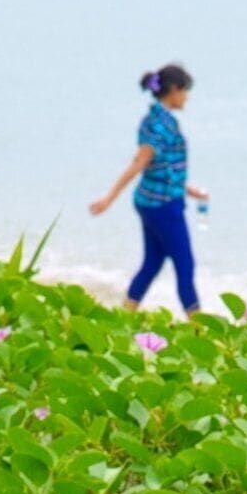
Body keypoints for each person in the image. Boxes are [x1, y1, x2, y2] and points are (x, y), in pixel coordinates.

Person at [89, 63, 211, 314]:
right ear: (174, 90)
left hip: (151, 200)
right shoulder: (161, 125)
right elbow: (140, 162)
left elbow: (162, 166)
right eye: (185, 91)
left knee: (153, 262)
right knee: (185, 266)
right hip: (163, 206)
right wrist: (108, 199)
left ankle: (125, 315)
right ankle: (201, 330)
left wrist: (189, 190)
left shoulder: (154, 119)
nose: (187, 97)